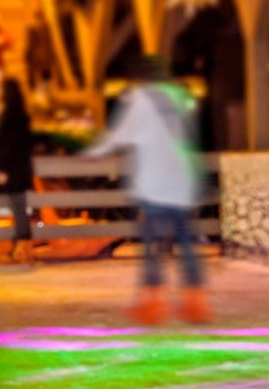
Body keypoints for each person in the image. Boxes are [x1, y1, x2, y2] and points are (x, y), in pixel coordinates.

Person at [84, 56, 211, 325]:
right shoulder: (178, 97)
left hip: (156, 184)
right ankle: (195, 301)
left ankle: (154, 302)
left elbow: (122, 135)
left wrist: (93, 151)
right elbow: (191, 136)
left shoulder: (140, 100)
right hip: (181, 180)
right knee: (185, 241)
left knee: (152, 243)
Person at [0, 79, 36, 265]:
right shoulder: (21, 115)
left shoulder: (10, 115)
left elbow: (6, 145)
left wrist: (2, 168)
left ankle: (21, 250)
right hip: (20, 168)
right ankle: (23, 249)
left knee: (18, 209)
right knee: (20, 208)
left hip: (11, 169)